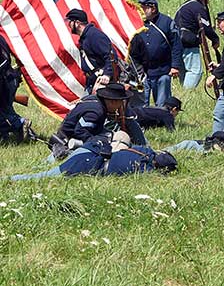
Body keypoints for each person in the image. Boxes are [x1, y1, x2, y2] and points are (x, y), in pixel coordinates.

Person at [9, 132, 177, 181]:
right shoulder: (144, 172)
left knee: (42, 170)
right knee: (40, 177)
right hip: (88, 164)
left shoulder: (145, 151)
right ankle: (9, 179)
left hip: (93, 148)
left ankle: (57, 155)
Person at [50, 83, 147, 157]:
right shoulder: (96, 112)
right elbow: (80, 132)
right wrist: (100, 143)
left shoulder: (94, 100)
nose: (121, 105)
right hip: (68, 140)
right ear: (113, 102)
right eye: (120, 101)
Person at [137, 0, 182, 107]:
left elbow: (176, 45)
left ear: (153, 9)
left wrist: (175, 66)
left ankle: (161, 121)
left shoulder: (167, 22)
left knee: (162, 103)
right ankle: (144, 122)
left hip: (163, 69)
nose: (141, 11)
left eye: (144, 8)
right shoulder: (137, 23)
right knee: (142, 102)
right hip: (143, 70)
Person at [174, 0, 220, 88]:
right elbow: (206, 27)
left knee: (184, 70)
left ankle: (184, 92)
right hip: (188, 40)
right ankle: (188, 91)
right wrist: (215, 39)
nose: (208, 1)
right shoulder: (198, 7)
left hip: (176, 41)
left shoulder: (185, 5)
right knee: (195, 71)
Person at [65, 9, 114, 93]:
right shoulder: (86, 36)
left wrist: (107, 74)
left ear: (77, 23)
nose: (69, 25)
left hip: (102, 82)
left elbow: (110, 55)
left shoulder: (94, 35)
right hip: (92, 80)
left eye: (70, 22)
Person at [0, 35, 34, 143]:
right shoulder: (2, 37)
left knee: (4, 111)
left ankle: (20, 124)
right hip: (8, 79)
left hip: (5, 81)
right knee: (5, 110)